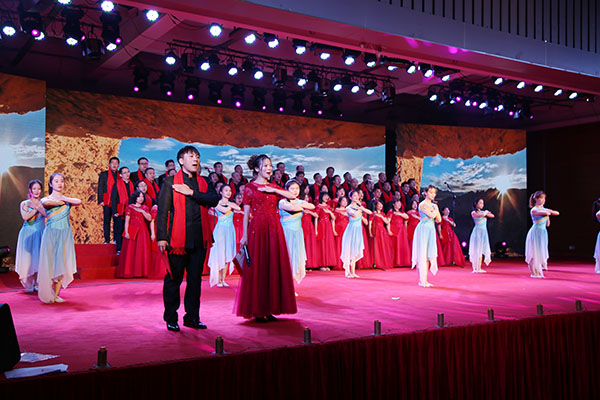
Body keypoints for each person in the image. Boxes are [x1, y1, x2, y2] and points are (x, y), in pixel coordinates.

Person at [157, 146, 220, 332]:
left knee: (195, 281)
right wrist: (161, 237)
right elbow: (162, 211)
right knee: (173, 280)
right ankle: (171, 318)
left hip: (199, 238)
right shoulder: (170, 182)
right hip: (176, 241)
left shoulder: (204, 181)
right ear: (181, 161)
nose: (195, 159)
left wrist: (192, 193)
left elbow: (214, 199)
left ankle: (192, 317)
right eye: (191, 156)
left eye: (197, 156)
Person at [236, 154, 297, 322]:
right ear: (257, 168)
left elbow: (292, 196)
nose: (269, 168)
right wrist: (244, 235)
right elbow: (246, 213)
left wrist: (274, 190)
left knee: (272, 267)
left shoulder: (273, 186)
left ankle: (270, 308)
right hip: (257, 228)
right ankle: (258, 310)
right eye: (265, 165)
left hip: (274, 228)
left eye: (270, 165)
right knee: (259, 268)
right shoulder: (250, 187)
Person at [38, 173, 81, 303]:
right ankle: (48, 293)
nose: (59, 183)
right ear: (51, 184)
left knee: (61, 263)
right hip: (51, 234)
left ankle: (56, 295)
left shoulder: (66, 200)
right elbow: (46, 202)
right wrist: (62, 200)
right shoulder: (46, 199)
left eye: (61, 181)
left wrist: (63, 198)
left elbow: (78, 201)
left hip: (65, 234)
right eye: (56, 181)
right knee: (50, 263)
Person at [279, 179, 315, 285]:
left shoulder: (300, 201)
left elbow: (312, 206)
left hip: (297, 233)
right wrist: (302, 207)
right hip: (286, 233)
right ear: (287, 190)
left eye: (297, 188)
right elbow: (291, 208)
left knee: (296, 258)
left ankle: (291, 286)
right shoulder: (282, 201)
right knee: (287, 258)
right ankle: (284, 285)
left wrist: (300, 206)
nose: (295, 191)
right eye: (292, 188)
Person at [15, 180, 46, 292]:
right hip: (27, 233)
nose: (36, 191)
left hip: (40, 233)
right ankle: (29, 284)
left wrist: (38, 206)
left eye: (39, 189)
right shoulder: (24, 203)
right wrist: (36, 207)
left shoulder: (44, 203)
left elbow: (47, 214)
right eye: (34, 189)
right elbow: (25, 217)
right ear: (30, 190)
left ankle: (38, 283)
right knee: (28, 259)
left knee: (39, 259)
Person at [207, 185, 240, 287]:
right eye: (226, 190)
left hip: (229, 230)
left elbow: (238, 207)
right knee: (220, 253)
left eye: (230, 190)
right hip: (220, 230)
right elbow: (225, 210)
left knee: (227, 254)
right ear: (221, 192)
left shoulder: (230, 203)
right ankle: (218, 279)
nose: (228, 192)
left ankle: (223, 279)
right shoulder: (217, 203)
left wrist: (229, 204)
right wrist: (230, 205)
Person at [116, 190, 152, 278]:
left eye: (142, 197)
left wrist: (142, 211)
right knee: (131, 251)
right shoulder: (130, 207)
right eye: (139, 196)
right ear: (135, 197)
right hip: (132, 230)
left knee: (141, 250)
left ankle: (141, 272)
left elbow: (149, 218)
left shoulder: (145, 208)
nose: (141, 198)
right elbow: (127, 221)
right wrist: (126, 232)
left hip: (142, 231)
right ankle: (130, 271)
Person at [411, 185, 441, 287]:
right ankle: (421, 280)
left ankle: (425, 280)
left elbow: (439, 219)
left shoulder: (434, 206)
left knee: (428, 254)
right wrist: (435, 210)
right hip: (423, 229)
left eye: (434, 193)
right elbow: (432, 216)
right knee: (422, 254)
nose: (433, 194)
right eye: (431, 192)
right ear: (425, 193)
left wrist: (435, 209)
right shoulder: (422, 204)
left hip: (431, 229)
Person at [525, 191, 559, 278]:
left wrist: (547, 212)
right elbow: (547, 213)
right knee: (533, 252)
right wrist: (547, 211)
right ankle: (533, 273)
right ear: (536, 199)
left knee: (540, 252)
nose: (543, 200)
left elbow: (555, 215)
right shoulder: (534, 210)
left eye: (544, 198)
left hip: (542, 233)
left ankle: (538, 271)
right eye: (541, 198)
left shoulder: (543, 209)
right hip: (535, 232)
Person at [341, 190, 372, 278]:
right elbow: (354, 214)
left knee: (356, 250)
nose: (356, 197)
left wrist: (361, 207)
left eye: (357, 195)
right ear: (350, 197)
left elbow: (370, 212)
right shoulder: (348, 207)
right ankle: (348, 272)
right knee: (349, 250)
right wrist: (360, 209)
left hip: (358, 230)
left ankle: (353, 272)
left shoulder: (359, 206)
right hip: (351, 230)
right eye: (354, 195)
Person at [111, 166, 135, 254]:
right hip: (120, 211)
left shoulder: (132, 184)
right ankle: (119, 249)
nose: (127, 174)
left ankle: (128, 249)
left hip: (130, 211)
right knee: (120, 230)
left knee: (129, 230)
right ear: (120, 175)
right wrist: (115, 211)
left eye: (128, 172)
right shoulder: (117, 184)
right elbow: (113, 198)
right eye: (124, 173)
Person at [469, 198, 495, 273]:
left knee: (481, 250)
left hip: (484, 233)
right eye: (480, 203)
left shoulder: (483, 212)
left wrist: (485, 212)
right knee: (477, 249)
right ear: (476, 204)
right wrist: (486, 212)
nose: (482, 204)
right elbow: (479, 215)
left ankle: (479, 267)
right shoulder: (473, 212)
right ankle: (476, 268)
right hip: (477, 233)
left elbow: (492, 215)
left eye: (482, 203)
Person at [97, 157, 119, 244]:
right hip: (107, 201)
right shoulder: (104, 174)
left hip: (116, 202)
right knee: (107, 220)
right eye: (112, 163)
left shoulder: (119, 175)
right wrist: (100, 200)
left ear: (118, 165)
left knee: (116, 221)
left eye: (116, 163)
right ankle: (107, 239)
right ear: (109, 164)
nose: (114, 165)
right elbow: (100, 187)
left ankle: (115, 239)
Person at [316, 192, 337, 270]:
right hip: (321, 225)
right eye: (324, 196)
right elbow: (316, 218)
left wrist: (330, 212)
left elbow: (334, 218)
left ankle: (327, 264)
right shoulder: (318, 206)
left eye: (327, 196)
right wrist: (316, 229)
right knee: (322, 244)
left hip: (328, 226)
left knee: (328, 244)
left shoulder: (328, 207)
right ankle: (322, 264)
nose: (326, 197)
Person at [370, 200, 394, 269]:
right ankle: (376, 262)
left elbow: (387, 222)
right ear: (376, 206)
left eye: (381, 205)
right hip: (375, 230)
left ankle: (382, 262)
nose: (380, 206)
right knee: (376, 246)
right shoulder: (373, 213)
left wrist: (381, 217)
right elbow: (370, 223)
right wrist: (370, 232)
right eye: (379, 204)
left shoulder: (383, 214)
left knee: (383, 246)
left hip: (382, 231)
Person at [300, 186, 319, 270]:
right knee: (303, 244)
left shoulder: (310, 207)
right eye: (305, 198)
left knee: (309, 245)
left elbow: (316, 216)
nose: (307, 199)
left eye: (307, 197)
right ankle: (303, 265)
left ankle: (310, 264)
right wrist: (304, 211)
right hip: (302, 225)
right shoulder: (299, 206)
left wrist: (316, 229)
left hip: (309, 225)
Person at [387, 199, 411, 267]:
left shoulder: (401, 211)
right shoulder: (391, 211)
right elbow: (388, 222)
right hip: (394, 229)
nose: (399, 205)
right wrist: (389, 230)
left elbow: (407, 217)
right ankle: (395, 262)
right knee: (395, 245)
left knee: (401, 245)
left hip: (401, 230)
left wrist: (399, 214)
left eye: (400, 203)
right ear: (393, 204)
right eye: (397, 203)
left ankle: (402, 262)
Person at [334, 196, 350, 270]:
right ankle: (339, 263)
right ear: (340, 202)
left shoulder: (348, 210)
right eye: (343, 201)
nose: (345, 202)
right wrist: (333, 230)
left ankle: (347, 263)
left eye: (346, 201)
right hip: (339, 229)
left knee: (347, 246)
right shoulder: (337, 210)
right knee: (339, 245)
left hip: (347, 229)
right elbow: (333, 220)